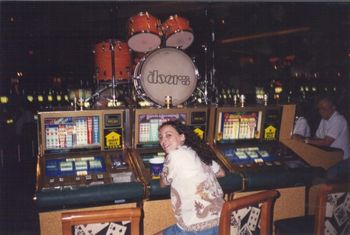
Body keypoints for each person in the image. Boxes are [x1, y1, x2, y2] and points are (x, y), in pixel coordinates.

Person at [156, 120, 226, 235]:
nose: (163, 141)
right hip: (222, 219)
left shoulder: (174, 155)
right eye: (160, 137)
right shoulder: (198, 151)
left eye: (168, 135)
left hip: (196, 226)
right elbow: (221, 173)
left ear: (182, 137)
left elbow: (163, 183)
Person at [302, 96, 350, 179]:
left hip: (341, 161)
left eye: (324, 109)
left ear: (333, 108)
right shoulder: (324, 119)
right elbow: (316, 138)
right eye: (319, 109)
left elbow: (326, 142)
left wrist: (305, 141)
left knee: (324, 182)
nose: (321, 111)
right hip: (328, 158)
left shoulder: (338, 120)